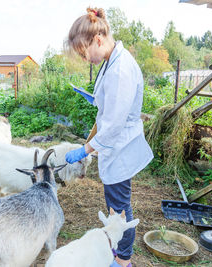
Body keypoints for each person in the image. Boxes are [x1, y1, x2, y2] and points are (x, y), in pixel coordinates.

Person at [65, 7, 154, 267]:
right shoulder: (112, 61)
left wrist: (85, 150)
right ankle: (120, 254)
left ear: (98, 40)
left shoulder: (120, 69)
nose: (84, 58)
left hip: (119, 146)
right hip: (114, 145)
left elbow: (114, 125)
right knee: (116, 203)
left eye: (84, 51)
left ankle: (123, 259)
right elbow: (112, 104)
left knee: (120, 208)